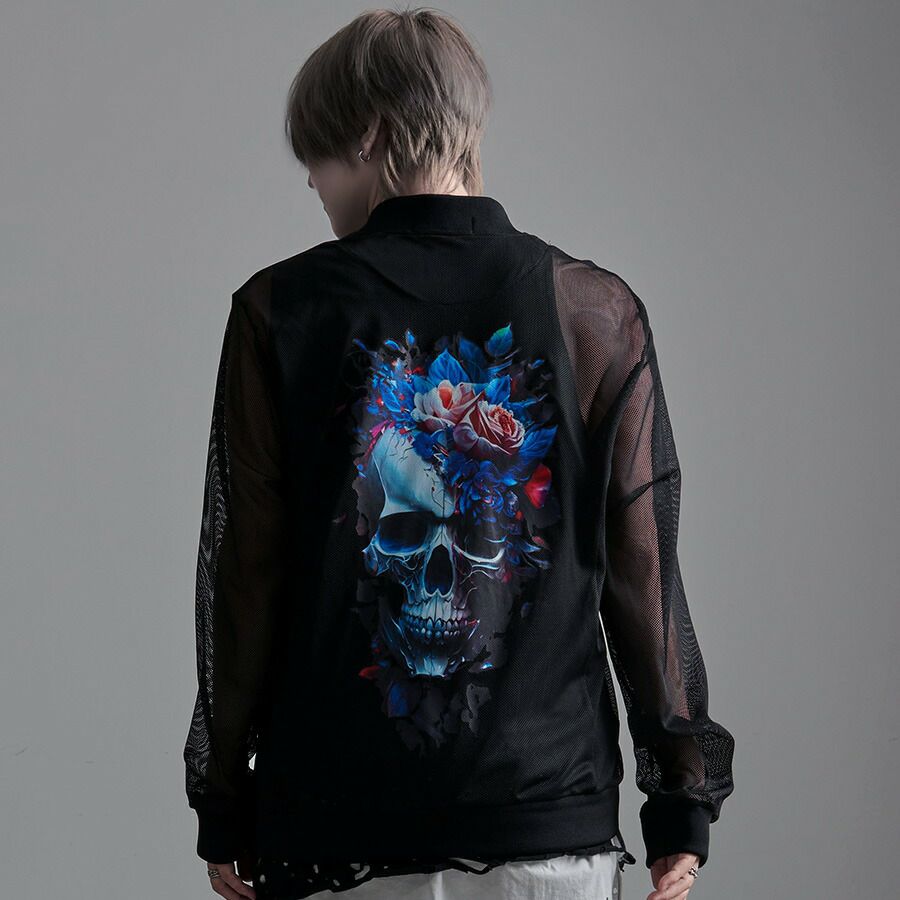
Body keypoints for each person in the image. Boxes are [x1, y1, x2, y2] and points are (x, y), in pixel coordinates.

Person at [182, 8, 735, 900]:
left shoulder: (282, 311)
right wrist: (680, 798)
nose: (312, 182)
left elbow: (247, 574)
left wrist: (223, 799)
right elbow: (644, 572)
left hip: (335, 827)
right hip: (547, 830)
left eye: (317, 154)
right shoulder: (592, 311)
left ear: (368, 133)